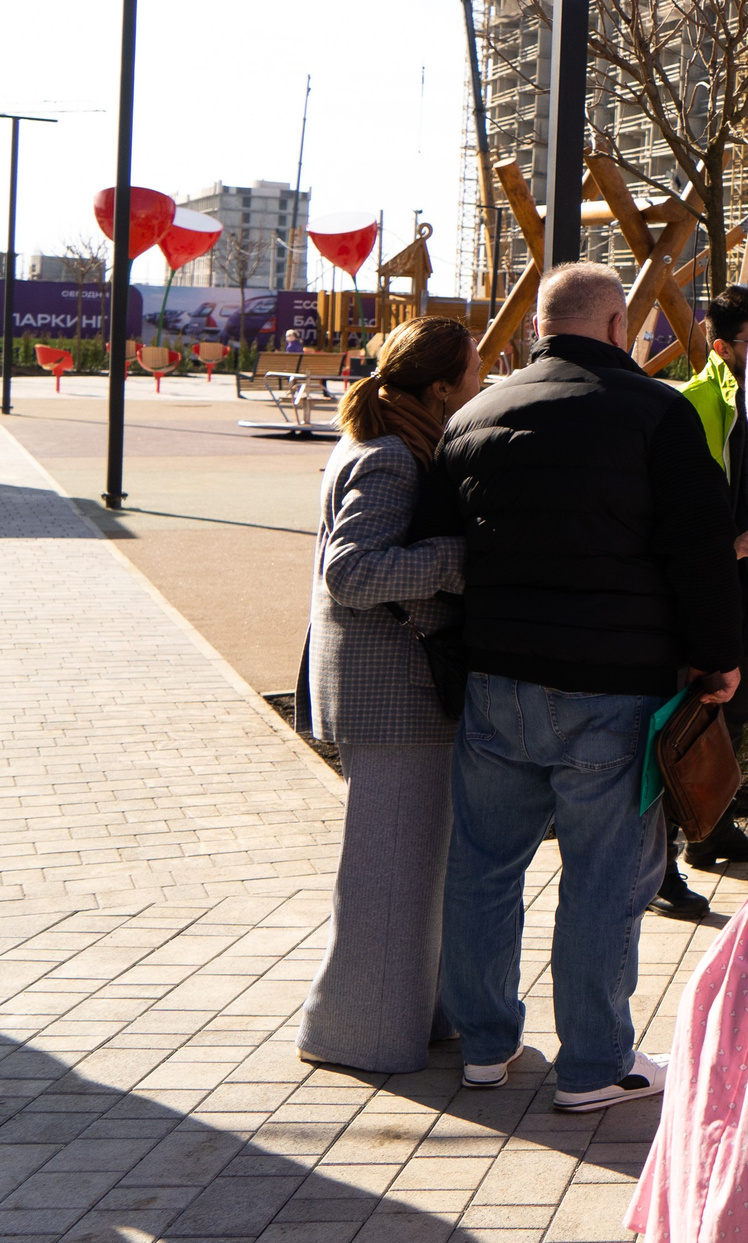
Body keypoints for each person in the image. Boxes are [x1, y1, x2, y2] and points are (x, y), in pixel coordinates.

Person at [424, 262, 742, 1114]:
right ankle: (595, 1064)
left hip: (495, 677)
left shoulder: (475, 414)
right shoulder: (656, 414)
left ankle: (485, 1045)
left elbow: (436, 546)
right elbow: (699, 549)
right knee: (605, 878)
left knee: (485, 865)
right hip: (615, 687)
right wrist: (717, 661)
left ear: (538, 326)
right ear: (613, 327)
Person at [297, 316, 479, 1074]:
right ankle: (357, 1032)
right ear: (440, 387)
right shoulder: (394, 460)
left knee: (410, 867)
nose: (483, 380)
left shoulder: (379, 442)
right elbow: (355, 571)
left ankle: (413, 1015)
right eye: (475, 370)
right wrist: (456, 559)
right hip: (394, 692)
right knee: (390, 872)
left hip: (381, 686)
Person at [674, 283, 748, 874]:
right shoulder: (697, 401)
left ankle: (710, 831)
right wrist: (729, 544)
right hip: (719, 582)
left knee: (737, 704)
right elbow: (675, 508)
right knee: (701, 710)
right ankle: (673, 851)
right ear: (721, 346)